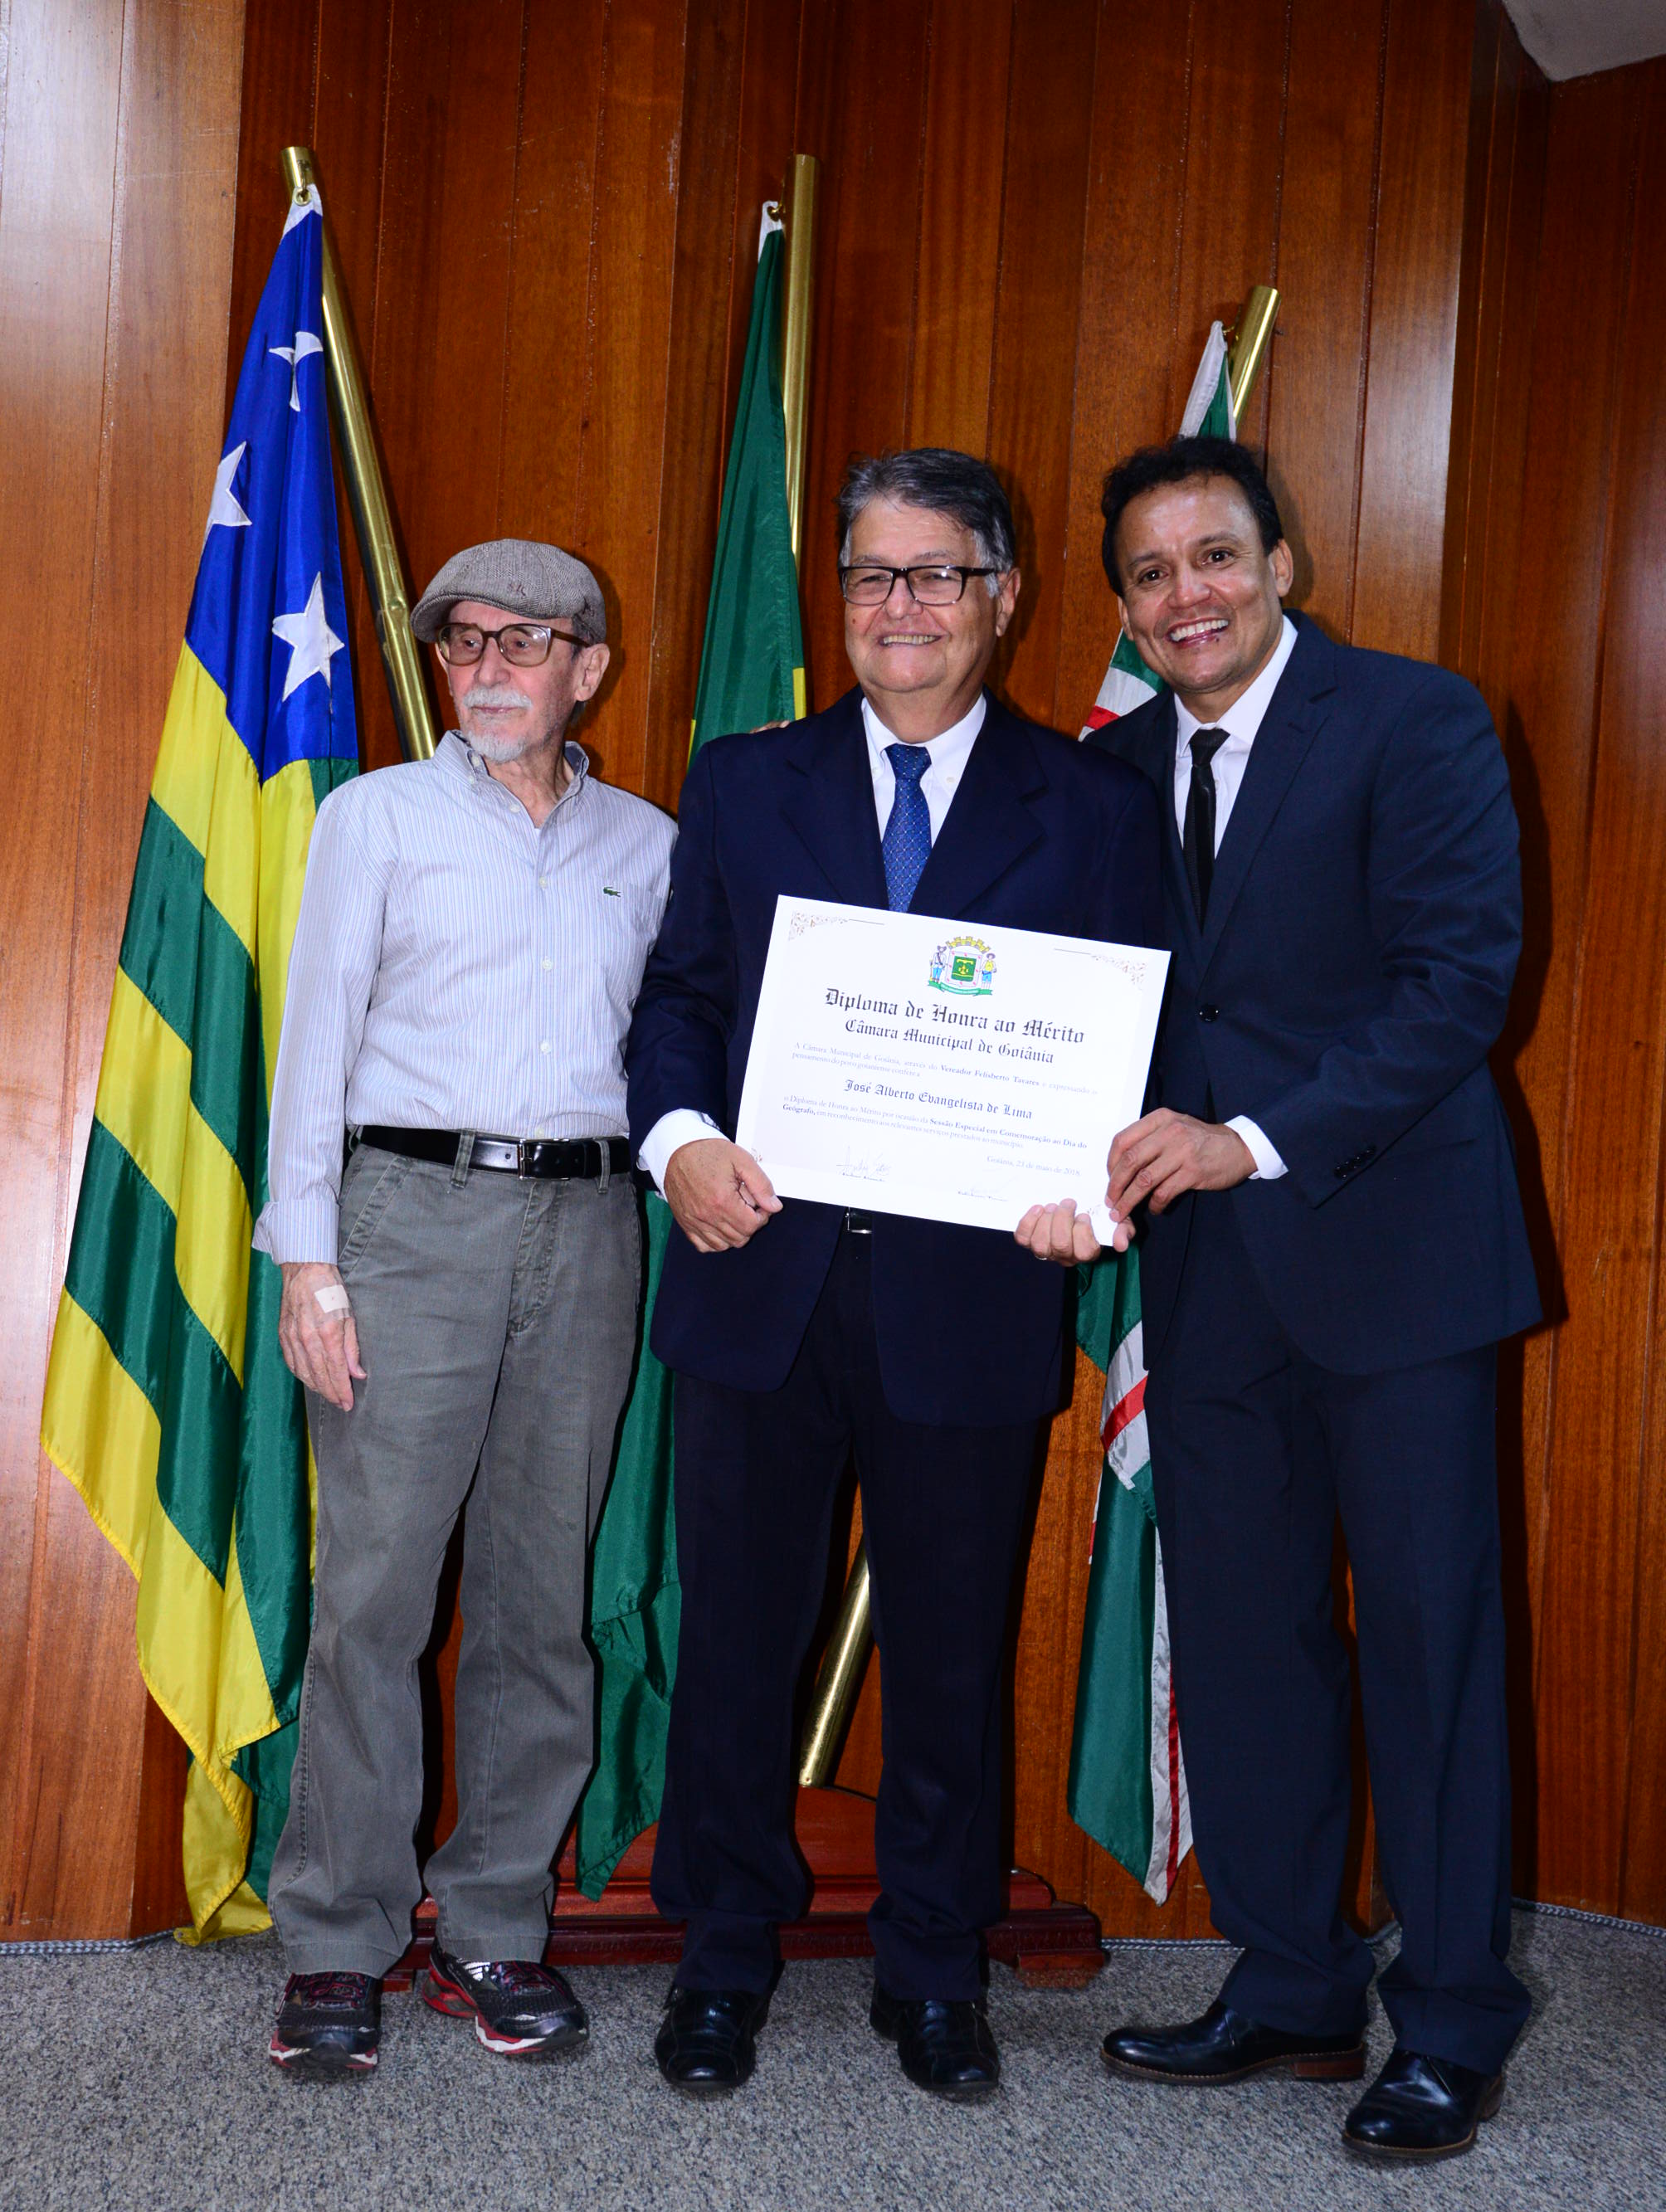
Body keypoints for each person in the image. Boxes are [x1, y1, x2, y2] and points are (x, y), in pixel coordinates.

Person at [626, 448, 1161, 2101]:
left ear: (1002, 597)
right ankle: (721, 1953)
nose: (900, 606)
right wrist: (678, 1143)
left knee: (947, 1647)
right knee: (737, 1638)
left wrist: (1095, 1193)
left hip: (974, 1289)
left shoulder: (1092, 802)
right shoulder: (743, 780)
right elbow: (678, 1000)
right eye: (871, 574)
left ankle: (933, 1965)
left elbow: (1132, 1038)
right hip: (757, 1272)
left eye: (937, 574)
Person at [1036, 433, 1539, 2158]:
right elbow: (1080, 1007)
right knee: (1247, 1637)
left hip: (1396, 1259)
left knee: (1429, 1641)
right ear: (1124, 607)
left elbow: (1455, 985)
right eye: (1150, 572)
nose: (1186, 593)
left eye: (1213, 556)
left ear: (1280, 564)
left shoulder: (1413, 720)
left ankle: (1452, 2016)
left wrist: (1246, 1139)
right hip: (1206, 1279)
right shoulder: (1110, 772)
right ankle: (1295, 1982)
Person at [256, 538, 675, 2080]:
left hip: (593, 1223)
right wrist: (309, 1261)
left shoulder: (652, 843)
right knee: (374, 1594)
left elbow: (686, 1043)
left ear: (589, 668)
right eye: (462, 642)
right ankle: (337, 1939)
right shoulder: (375, 818)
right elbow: (314, 1040)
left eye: (524, 641)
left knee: (536, 1598)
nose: (488, 668)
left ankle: (496, 1921)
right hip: (408, 1222)